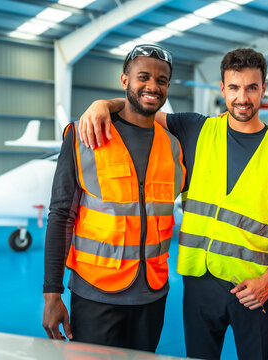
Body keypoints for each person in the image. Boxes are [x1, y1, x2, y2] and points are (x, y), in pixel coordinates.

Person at [78, 48, 268, 360]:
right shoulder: (195, 129)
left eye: (252, 87)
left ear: (263, 88)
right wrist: (102, 104)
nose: (243, 98)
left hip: (255, 289)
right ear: (222, 89)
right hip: (199, 285)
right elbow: (140, 106)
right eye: (234, 88)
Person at [42, 44, 186, 352]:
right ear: (125, 81)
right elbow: (61, 216)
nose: (152, 86)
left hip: (152, 295)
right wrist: (52, 294)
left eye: (161, 80)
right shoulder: (84, 135)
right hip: (96, 295)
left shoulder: (173, 146)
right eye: (143, 77)